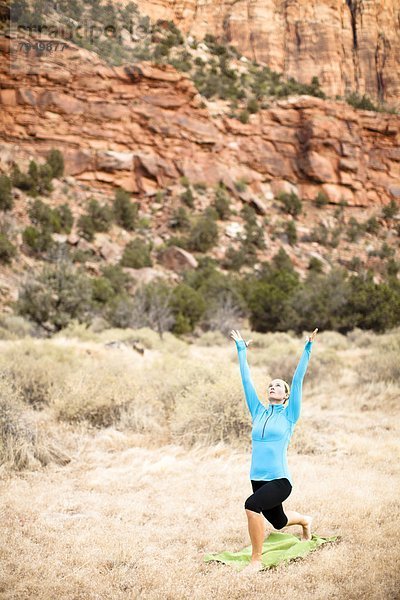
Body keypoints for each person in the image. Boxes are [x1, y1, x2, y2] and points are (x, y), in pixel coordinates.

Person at [230, 327, 318, 575]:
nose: (273, 387)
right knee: (278, 522)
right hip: (257, 479)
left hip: (279, 480)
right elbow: (246, 380)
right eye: (271, 385)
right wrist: (241, 351)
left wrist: (307, 348)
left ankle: (255, 561)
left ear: (287, 395)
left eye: (279, 386)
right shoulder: (258, 412)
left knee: (251, 506)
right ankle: (305, 521)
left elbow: (298, 379)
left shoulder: (290, 415)